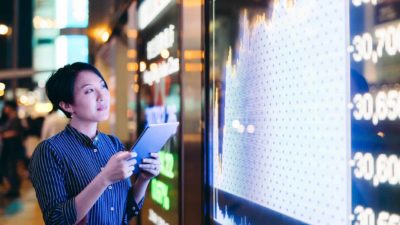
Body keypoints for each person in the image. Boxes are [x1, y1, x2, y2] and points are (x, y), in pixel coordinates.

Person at [29, 62, 161, 225]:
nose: (102, 96)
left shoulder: (113, 144)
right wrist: (104, 178)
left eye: (103, 86)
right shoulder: (49, 151)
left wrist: (143, 179)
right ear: (67, 105)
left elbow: (126, 210)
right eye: (89, 90)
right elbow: (57, 220)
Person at [0, 100, 25, 198]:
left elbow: (15, 132)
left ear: (10, 107)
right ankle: (13, 188)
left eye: (6, 107)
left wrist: (3, 135)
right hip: (9, 147)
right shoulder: (10, 119)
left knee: (11, 168)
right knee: (9, 167)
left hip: (12, 148)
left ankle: (14, 189)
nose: (5, 109)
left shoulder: (15, 119)